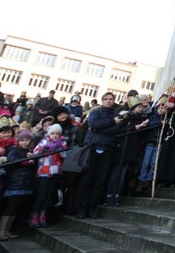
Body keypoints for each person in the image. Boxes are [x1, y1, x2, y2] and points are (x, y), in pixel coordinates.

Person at [75, 91, 126, 219]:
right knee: (86, 180)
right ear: (102, 100)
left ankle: (92, 209)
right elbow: (93, 124)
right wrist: (111, 123)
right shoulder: (95, 112)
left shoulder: (116, 115)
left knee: (100, 181)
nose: (108, 101)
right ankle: (81, 209)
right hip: (92, 148)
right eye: (106, 99)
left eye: (111, 99)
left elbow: (115, 130)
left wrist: (101, 128)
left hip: (107, 149)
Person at [0, 129, 35, 241]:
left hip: (25, 183)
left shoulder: (29, 151)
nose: (25, 142)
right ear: (18, 141)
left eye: (27, 140)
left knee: (16, 207)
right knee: (11, 207)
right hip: (15, 183)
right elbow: (12, 161)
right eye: (22, 140)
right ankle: (1, 231)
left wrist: (31, 159)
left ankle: (7, 230)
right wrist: (27, 161)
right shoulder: (14, 150)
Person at [29, 123, 67, 228]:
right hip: (43, 171)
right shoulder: (44, 141)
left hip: (55, 171)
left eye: (57, 134)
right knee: (42, 194)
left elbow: (64, 155)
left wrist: (59, 147)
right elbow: (35, 152)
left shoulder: (62, 143)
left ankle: (43, 215)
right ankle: (34, 216)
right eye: (53, 133)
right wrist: (45, 148)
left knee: (48, 194)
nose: (55, 135)